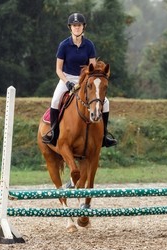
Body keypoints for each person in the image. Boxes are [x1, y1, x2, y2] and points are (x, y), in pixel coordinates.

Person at [42, 12, 117, 148]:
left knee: (105, 102)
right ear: (70, 27)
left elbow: (92, 68)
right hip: (66, 78)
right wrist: (67, 83)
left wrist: (84, 81)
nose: (77, 28)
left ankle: (104, 136)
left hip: (84, 79)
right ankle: (53, 133)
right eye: (74, 25)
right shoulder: (64, 45)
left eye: (79, 25)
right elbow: (58, 69)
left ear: (84, 27)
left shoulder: (89, 45)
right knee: (55, 100)